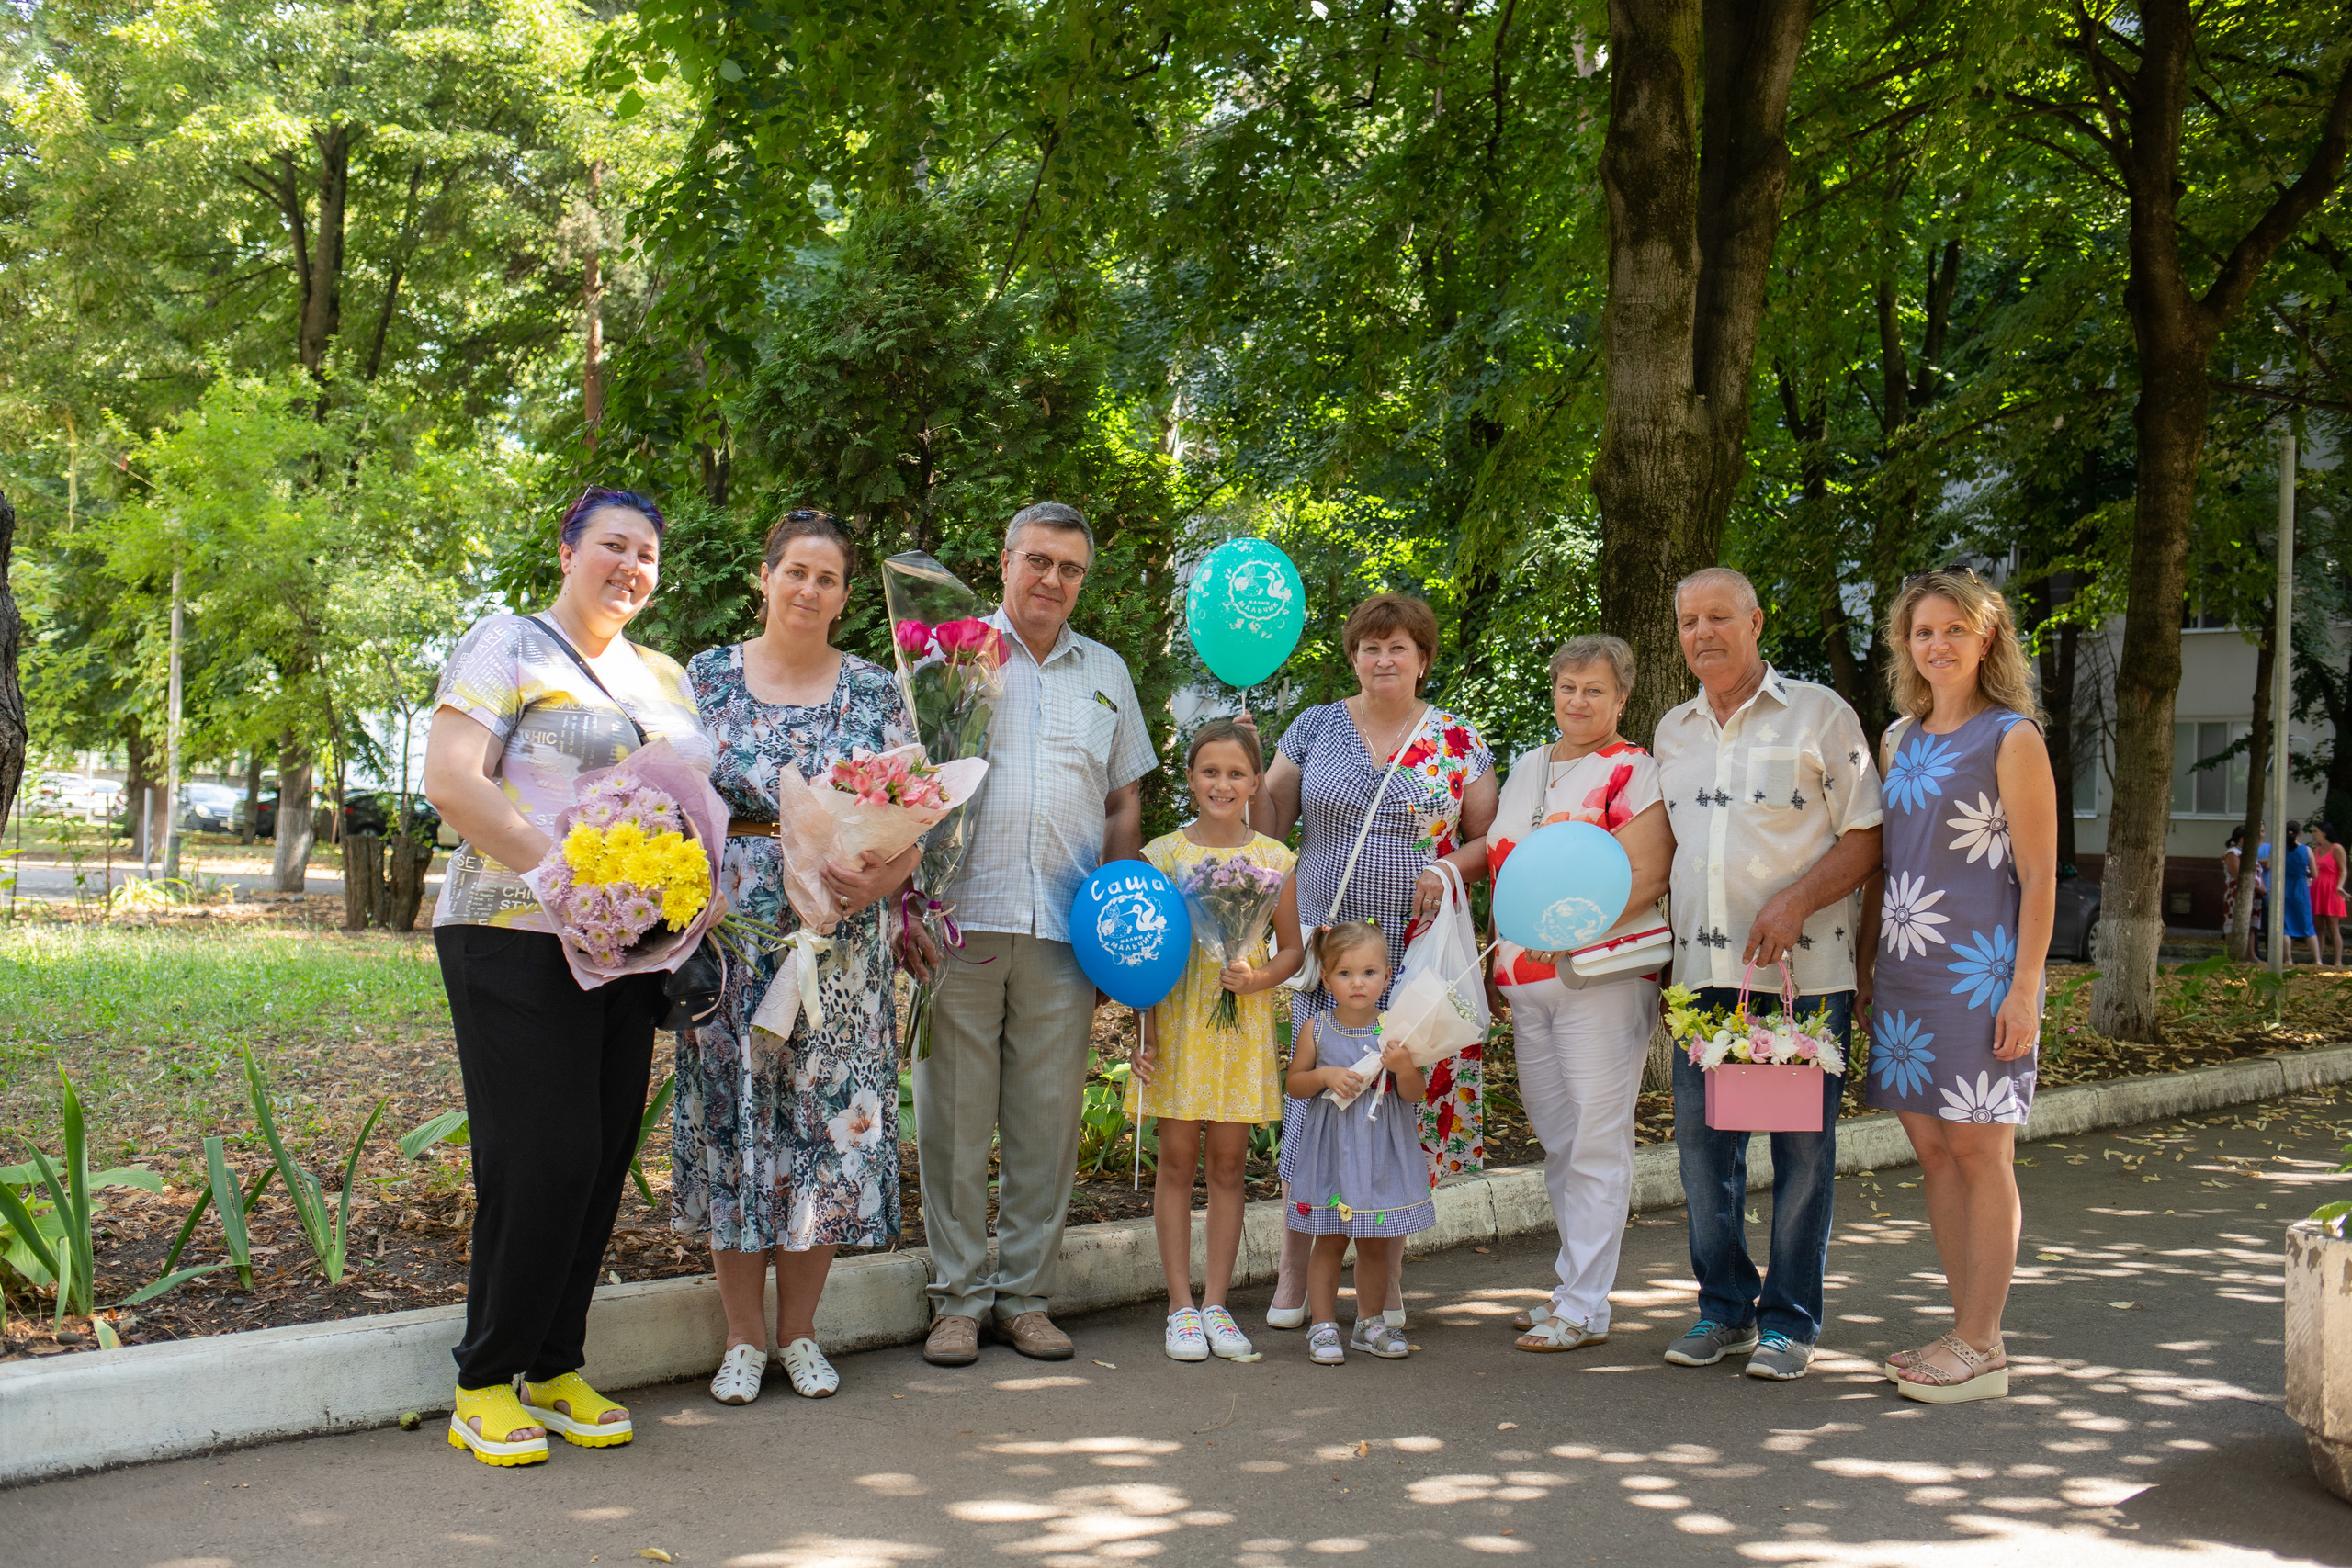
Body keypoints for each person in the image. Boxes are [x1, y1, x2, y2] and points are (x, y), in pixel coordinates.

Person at [421, 486, 707, 1467]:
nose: (631, 566)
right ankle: (483, 1380)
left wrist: (687, 891)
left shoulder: (663, 676)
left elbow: (691, 801)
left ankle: (552, 1364)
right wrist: (568, 874)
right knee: (538, 1155)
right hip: (514, 931)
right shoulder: (509, 643)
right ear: (567, 550)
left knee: (597, 1156)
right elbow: (452, 779)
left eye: (647, 554)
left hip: (628, 945)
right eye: (613, 545)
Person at [671, 511, 922, 1405]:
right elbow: (669, 802)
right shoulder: (705, 677)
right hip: (732, 934)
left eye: (827, 578)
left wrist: (874, 882)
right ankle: (743, 1339)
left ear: (845, 596)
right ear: (765, 576)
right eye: (796, 572)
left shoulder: (875, 692)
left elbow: (914, 820)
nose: (809, 590)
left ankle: (802, 1333)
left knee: (824, 1126)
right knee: (734, 1120)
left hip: (839, 939)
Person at [912, 502, 1157, 1368]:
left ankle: (1025, 1299)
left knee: (1046, 1123)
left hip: (1065, 930)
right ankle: (956, 1300)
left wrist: (1119, 918)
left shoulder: (1107, 671)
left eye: (1070, 568)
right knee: (951, 1120)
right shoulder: (950, 654)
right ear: (1006, 560)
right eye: (1039, 561)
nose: (1053, 579)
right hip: (960, 919)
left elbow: (1123, 799)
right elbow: (908, 784)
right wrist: (911, 902)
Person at [1653, 566, 1883, 1382]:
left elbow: (1868, 833)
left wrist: (1796, 901)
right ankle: (1724, 1308)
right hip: (1702, 977)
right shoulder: (1672, 731)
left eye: (1719, 616)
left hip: (1799, 981)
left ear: (1756, 622)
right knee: (1703, 1152)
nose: (1703, 633)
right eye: (1689, 621)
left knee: (1802, 1154)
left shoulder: (1822, 713)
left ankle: (1789, 1320)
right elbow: (1664, 851)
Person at [1247, 592, 1498, 1330]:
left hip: (1413, 958)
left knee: (1393, 1108)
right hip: (1328, 954)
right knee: (1315, 1104)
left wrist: (1448, 866)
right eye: (1370, 647)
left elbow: (1491, 839)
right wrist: (1253, 774)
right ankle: (1295, 1269)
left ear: (1423, 659)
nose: (1383, 659)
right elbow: (1270, 825)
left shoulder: (1457, 739)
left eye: (1398, 647)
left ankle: (1385, 1281)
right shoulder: (1315, 726)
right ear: (1353, 656)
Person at [1858, 569, 2056, 1404]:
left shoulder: (2012, 736)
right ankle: (1966, 1331)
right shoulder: (1897, 738)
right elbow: (1886, 861)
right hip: (1907, 972)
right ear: (1906, 645)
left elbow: (2040, 874)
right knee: (1935, 1152)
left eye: (1954, 630)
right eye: (1923, 632)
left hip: (1982, 973)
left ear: (1987, 638)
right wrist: (1867, 964)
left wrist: (2026, 987)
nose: (1937, 645)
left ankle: (1982, 1343)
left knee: (1982, 1151)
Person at [1465, 637, 1672, 1353]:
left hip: (1600, 980)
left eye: (1595, 689)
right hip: (1526, 983)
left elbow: (1647, 874)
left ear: (1622, 698)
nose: (1578, 700)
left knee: (1596, 1141)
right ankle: (1571, 1289)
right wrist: (1495, 960)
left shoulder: (1635, 770)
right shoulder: (1528, 766)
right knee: (1559, 1140)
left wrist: (1573, 931)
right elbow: (1507, 868)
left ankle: (1585, 1304)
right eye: (1567, 686)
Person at [1128, 718, 1305, 1362]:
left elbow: (1293, 951)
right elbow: (1140, 952)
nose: (1222, 784)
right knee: (1176, 1162)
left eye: (1236, 773)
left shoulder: (1275, 859)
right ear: (1190, 778)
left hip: (1240, 1027)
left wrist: (1256, 978)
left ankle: (1217, 1304)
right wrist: (1144, 1033)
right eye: (1210, 771)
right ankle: (1179, 1306)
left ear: (1256, 782)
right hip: (1179, 1023)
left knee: (1229, 1166)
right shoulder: (1162, 856)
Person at [1279, 921, 1435, 1364]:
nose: (1357, 983)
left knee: (1375, 1243)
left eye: (1369, 972)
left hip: (1380, 1153)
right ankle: (1323, 1325)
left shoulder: (1396, 1031)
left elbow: (1414, 1094)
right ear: (1326, 978)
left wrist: (1404, 1067)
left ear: (1387, 976)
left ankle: (1370, 1324)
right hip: (1332, 1154)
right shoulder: (1317, 1028)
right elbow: (1294, 1084)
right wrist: (1324, 1075)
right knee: (1329, 1239)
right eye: (1345, 973)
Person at [2283, 820, 2320, 967]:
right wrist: (2305, 873)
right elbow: (2314, 874)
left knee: (2285, 926)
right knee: (2307, 925)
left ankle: (2288, 959)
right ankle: (2317, 960)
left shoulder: (2280, 850)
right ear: (2299, 834)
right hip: (2301, 888)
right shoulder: (2307, 850)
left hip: (2284, 888)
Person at [2311, 822, 2346, 966]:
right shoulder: (2316, 850)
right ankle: (2318, 959)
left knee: (2333, 926)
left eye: (2315, 831)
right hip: (2317, 889)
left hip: (2332, 889)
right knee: (2318, 926)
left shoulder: (2337, 848)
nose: (2313, 834)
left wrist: (2340, 886)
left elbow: (2343, 870)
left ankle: (2338, 960)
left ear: (2324, 833)